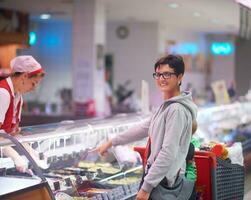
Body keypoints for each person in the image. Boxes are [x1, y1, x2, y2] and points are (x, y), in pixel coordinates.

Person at [97, 54, 197, 200]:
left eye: (167, 74)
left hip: (163, 181)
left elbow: (168, 152)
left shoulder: (176, 110)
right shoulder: (165, 107)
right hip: (157, 177)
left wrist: (146, 187)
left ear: (179, 77)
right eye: (158, 74)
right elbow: (142, 128)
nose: (161, 79)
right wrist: (112, 142)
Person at [0, 55, 46, 172]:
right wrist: (15, 157)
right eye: (34, 83)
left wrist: (32, 153)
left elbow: (13, 134)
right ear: (24, 76)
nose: (34, 88)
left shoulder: (18, 96)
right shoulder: (3, 93)